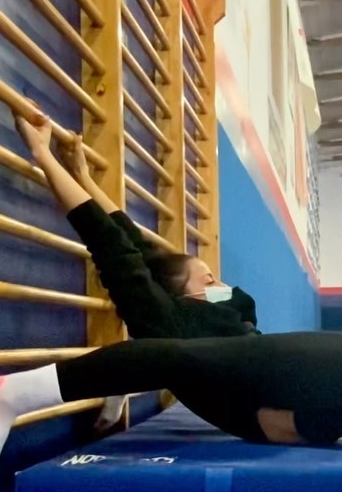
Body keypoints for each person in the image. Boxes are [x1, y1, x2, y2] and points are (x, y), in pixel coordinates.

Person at [0, 332, 342, 469]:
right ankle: (13, 394)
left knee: (182, 363)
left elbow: (276, 424)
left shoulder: (329, 400)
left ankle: (17, 394)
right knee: (179, 362)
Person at [15, 112, 258, 341]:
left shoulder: (179, 327)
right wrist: (77, 173)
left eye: (210, 281)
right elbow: (125, 243)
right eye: (210, 282)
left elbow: (115, 244)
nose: (224, 288)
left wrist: (46, 155)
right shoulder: (185, 327)